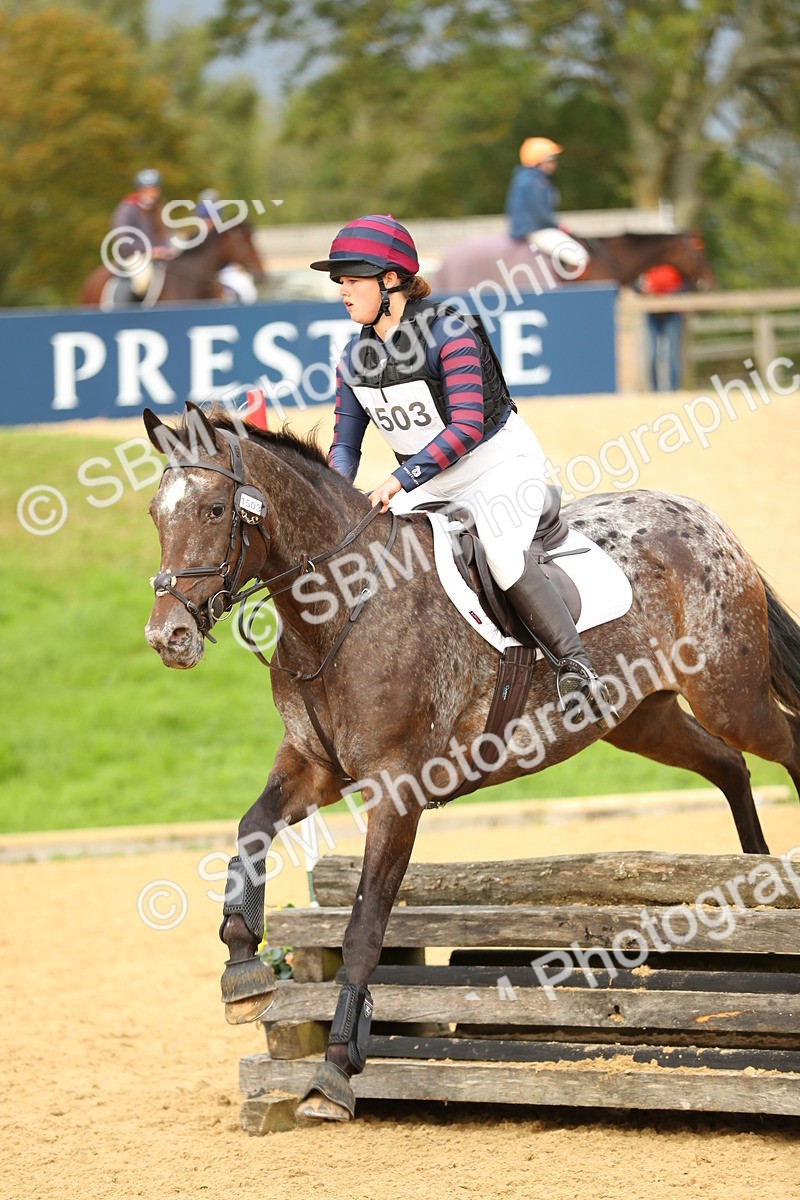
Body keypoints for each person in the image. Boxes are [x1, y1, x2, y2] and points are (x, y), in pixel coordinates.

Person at [310, 214, 616, 725]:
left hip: (499, 465)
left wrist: (400, 480)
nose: (343, 290)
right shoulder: (352, 357)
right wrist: (332, 499)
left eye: (353, 279)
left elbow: (469, 426)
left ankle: (576, 670)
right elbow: (345, 446)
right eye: (339, 281)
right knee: (375, 555)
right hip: (430, 477)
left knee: (501, 554)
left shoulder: (450, 330)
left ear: (391, 281)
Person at [505, 138, 589, 279]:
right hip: (534, 230)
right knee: (579, 256)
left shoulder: (535, 178)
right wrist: (558, 225)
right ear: (539, 160)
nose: (554, 164)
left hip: (538, 228)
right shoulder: (532, 181)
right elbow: (539, 212)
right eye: (550, 160)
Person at [110, 169, 175, 299]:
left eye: (154, 190)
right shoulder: (127, 209)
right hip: (134, 255)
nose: (151, 194)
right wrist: (149, 251)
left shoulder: (159, 209)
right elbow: (123, 238)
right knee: (142, 281)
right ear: (139, 190)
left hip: (159, 256)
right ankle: (133, 315)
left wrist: (167, 249)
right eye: (147, 190)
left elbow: (165, 234)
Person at [194, 189, 260, 304]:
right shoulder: (194, 237)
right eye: (206, 217)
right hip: (201, 276)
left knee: (246, 288)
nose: (209, 222)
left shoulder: (224, 237)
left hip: (225, 273)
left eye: (212, 217)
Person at [640, 263, 685, 391]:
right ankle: (654, 391)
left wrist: (668, 296)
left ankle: (674, 390)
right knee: (652, 354)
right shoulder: (649, 267)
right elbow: (638, 287)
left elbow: (684, 286)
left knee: (672, 355)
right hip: (652, 313)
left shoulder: (675, 267)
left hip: (672, 313)